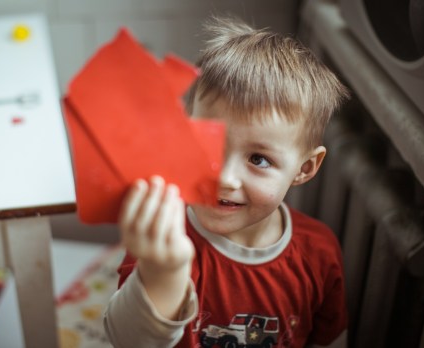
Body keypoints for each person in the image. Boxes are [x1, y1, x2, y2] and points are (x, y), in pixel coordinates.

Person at [103, 15, 349, 348]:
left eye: (258, 159)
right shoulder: (163, 240)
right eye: (207, 144)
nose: (223, 177)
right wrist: (163, 273)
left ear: (304, 168)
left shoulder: (318, 252)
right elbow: (127, 341)